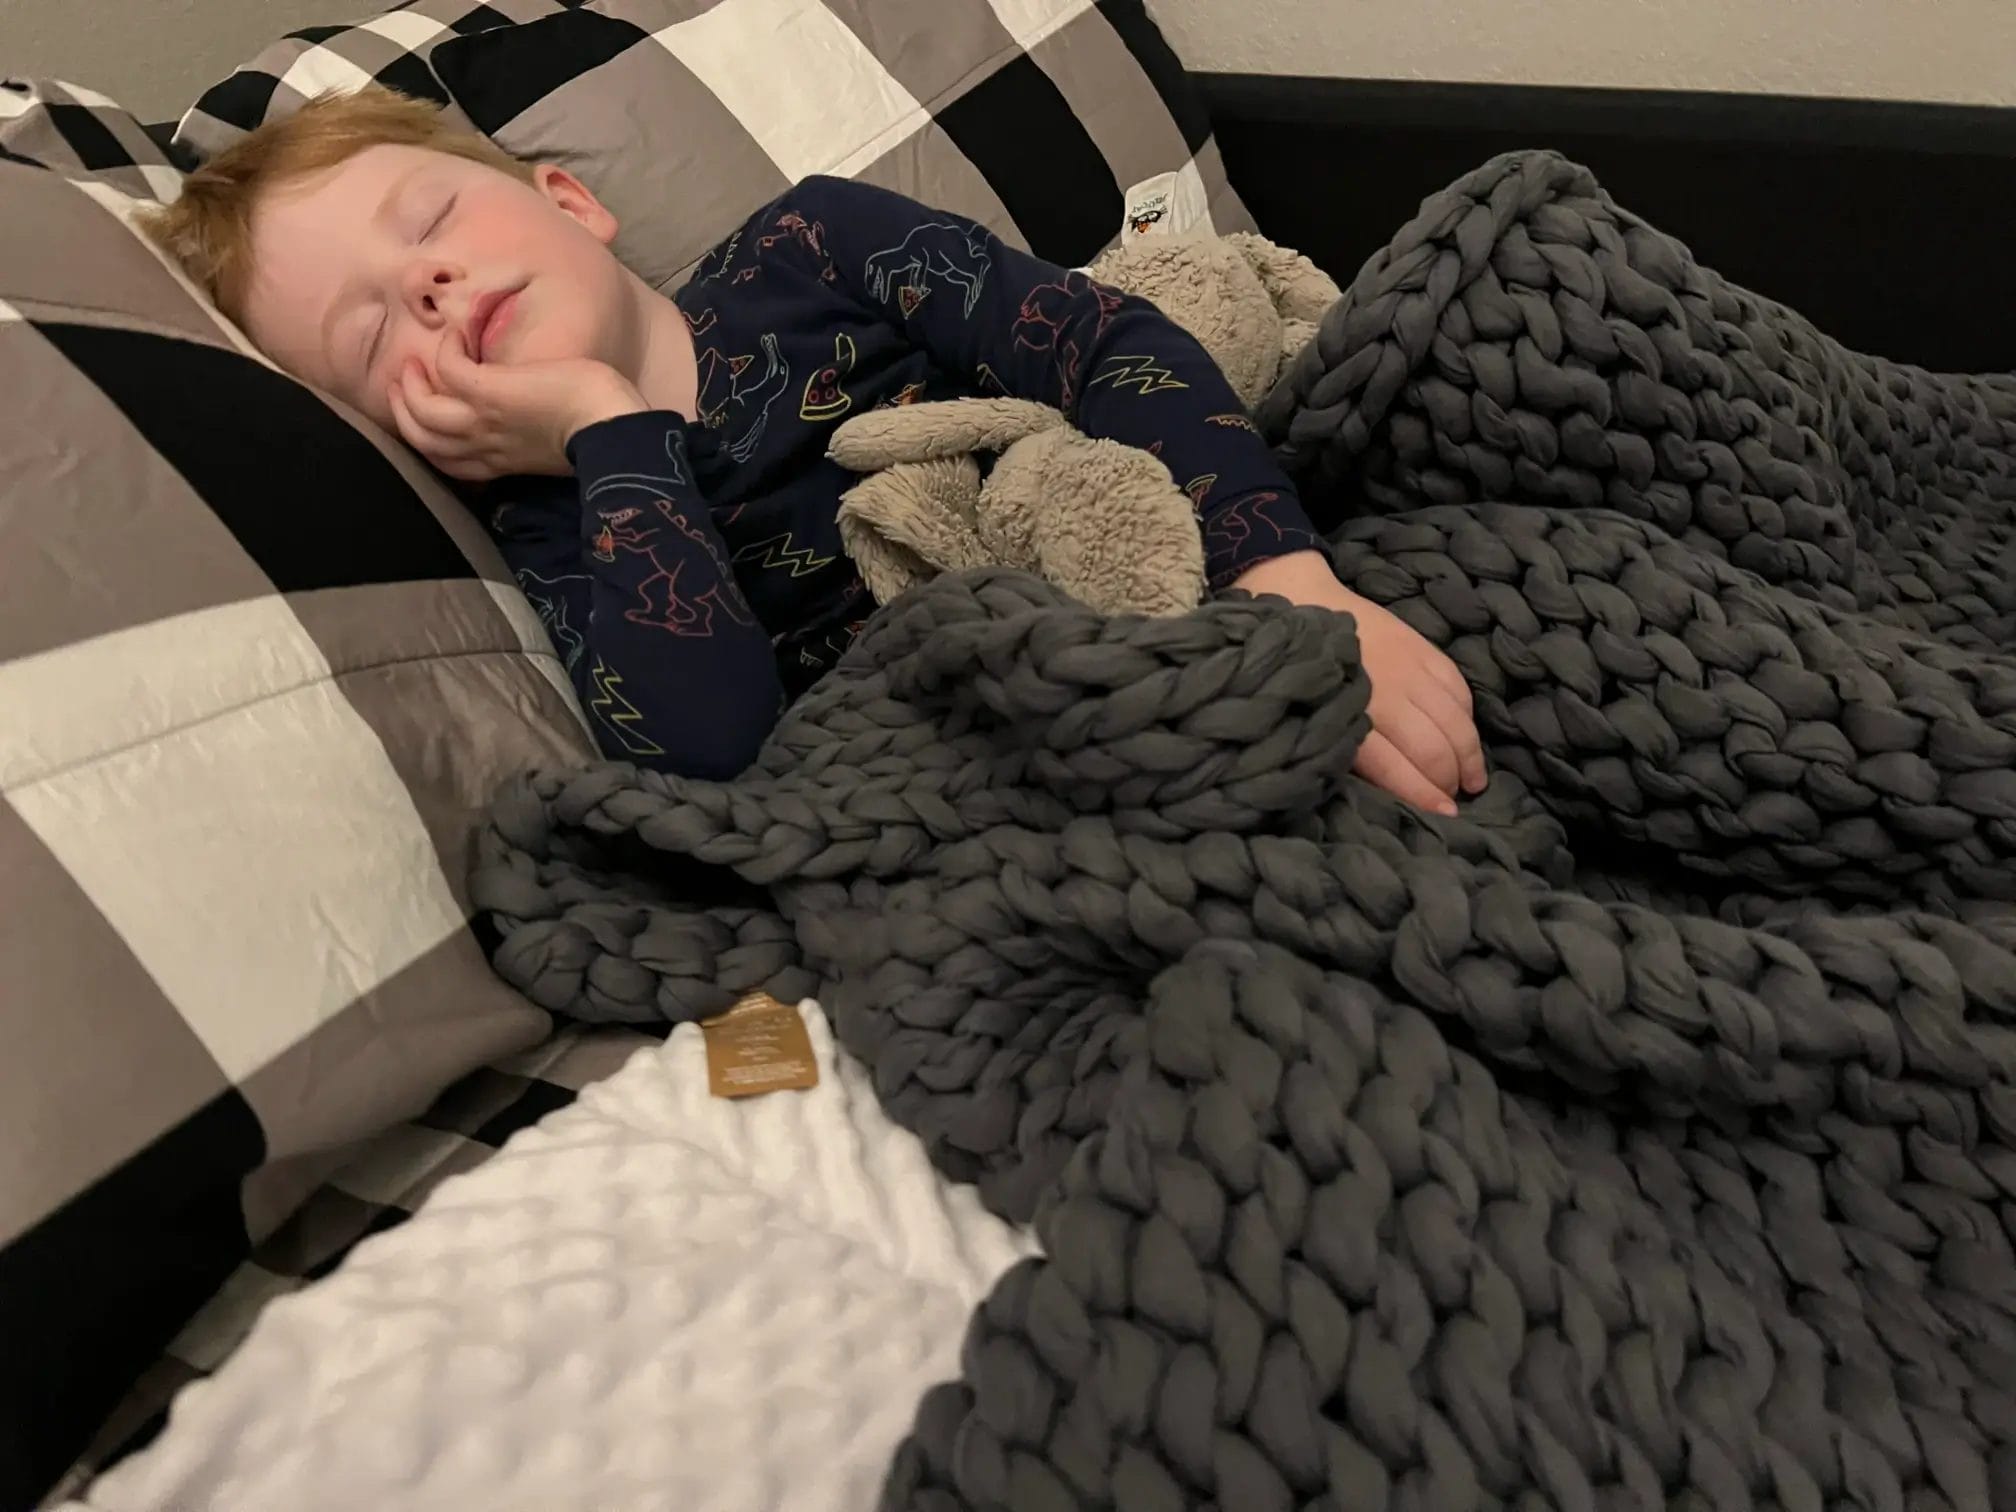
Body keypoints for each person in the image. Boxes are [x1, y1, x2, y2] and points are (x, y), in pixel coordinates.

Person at [143, 88, 1483, 809]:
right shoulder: (567, 523)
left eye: (431, 220)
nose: (425, 289)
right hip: (1023, 743)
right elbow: (716, 753)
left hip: (1184, 553)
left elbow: (1098, 344)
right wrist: (609, 434)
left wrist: (1290, 582)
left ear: (570, 202)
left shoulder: (811, 248)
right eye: (374, 334)